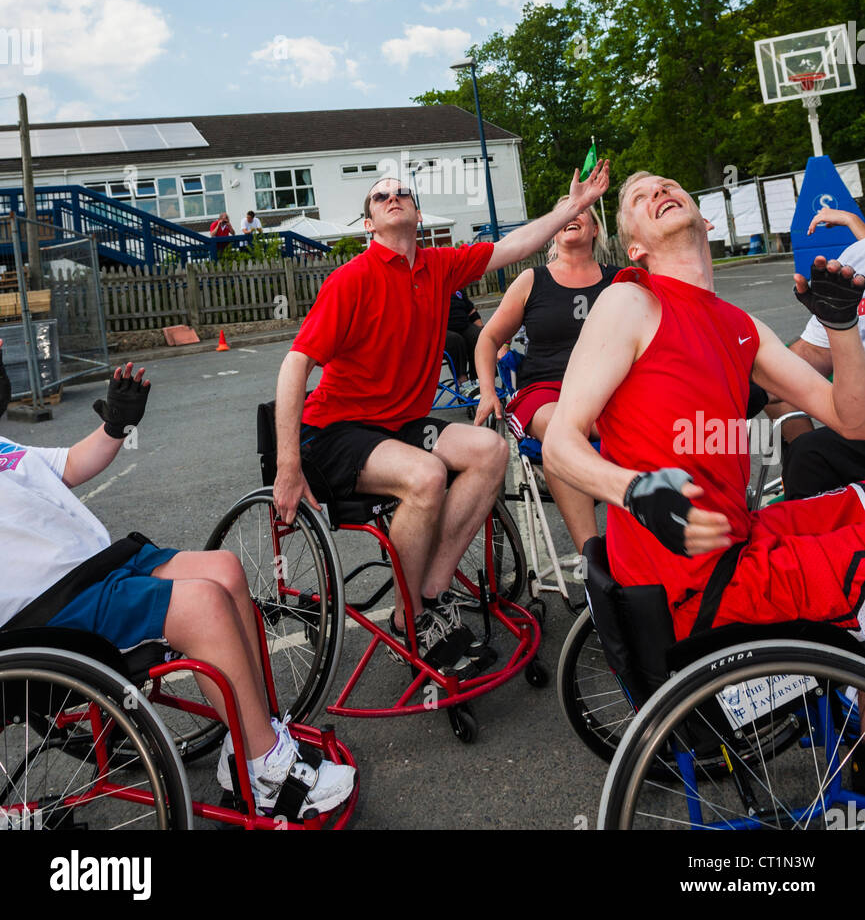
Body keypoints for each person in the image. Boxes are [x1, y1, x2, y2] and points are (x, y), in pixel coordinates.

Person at [272, 161, 609, 670]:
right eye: (379, 196)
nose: (392, 197)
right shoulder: (350, 280)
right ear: (368, 224)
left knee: (491, 450)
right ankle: (412, 617)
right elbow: (294, 365)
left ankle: (428, 594)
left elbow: (515, 245)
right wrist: (288, 466)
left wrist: (573, 206)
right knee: (426, 475)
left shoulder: (439, 267)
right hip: (337, 429)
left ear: (416, 211)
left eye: (401, 192)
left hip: (400, 424)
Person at [0, 352, 354, 818]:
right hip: (51, 608)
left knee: (225, 570)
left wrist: (117, 427)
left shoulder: (5, 446)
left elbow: (70, 464)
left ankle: (247, 740)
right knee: (203, 604)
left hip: (97, 567)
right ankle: (267, 769)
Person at [543, 171, 865, 644]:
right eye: (638, 196)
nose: (658, 190)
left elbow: (852, 421)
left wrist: (839, 327)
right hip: (690, 585)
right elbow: (559, 443)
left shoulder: (743, 326)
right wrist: (635, 491)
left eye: (670, 184)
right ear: (635, 248)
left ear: (705, 220)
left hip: (740, 542)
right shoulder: (631, 301)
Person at [473, 203, 617, 550]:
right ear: (554, 230)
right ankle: (593, 558)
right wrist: (487, 390)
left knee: (649, 421)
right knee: (563, 433)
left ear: (595, 229)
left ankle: (632, 543)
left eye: (582, 210)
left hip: (606, 391)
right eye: (565, 210)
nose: (572, 214)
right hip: (545, 392)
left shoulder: (618, 281)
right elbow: (489, 338)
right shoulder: (533, 280)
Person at [765, 205, 865, 498]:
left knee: (809, 457)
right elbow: (813, 352)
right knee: (772, 378)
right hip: (856, 420)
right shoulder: (855, 259)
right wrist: (747, 385)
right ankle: (827, 493)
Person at [445, 289, 484, 389]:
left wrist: (483, 330)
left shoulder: (458, 287)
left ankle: (479, 379)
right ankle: (462, 381)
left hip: (464, 326)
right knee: (456, 340)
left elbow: (471, 311)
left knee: (480, 337)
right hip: (441, 332)